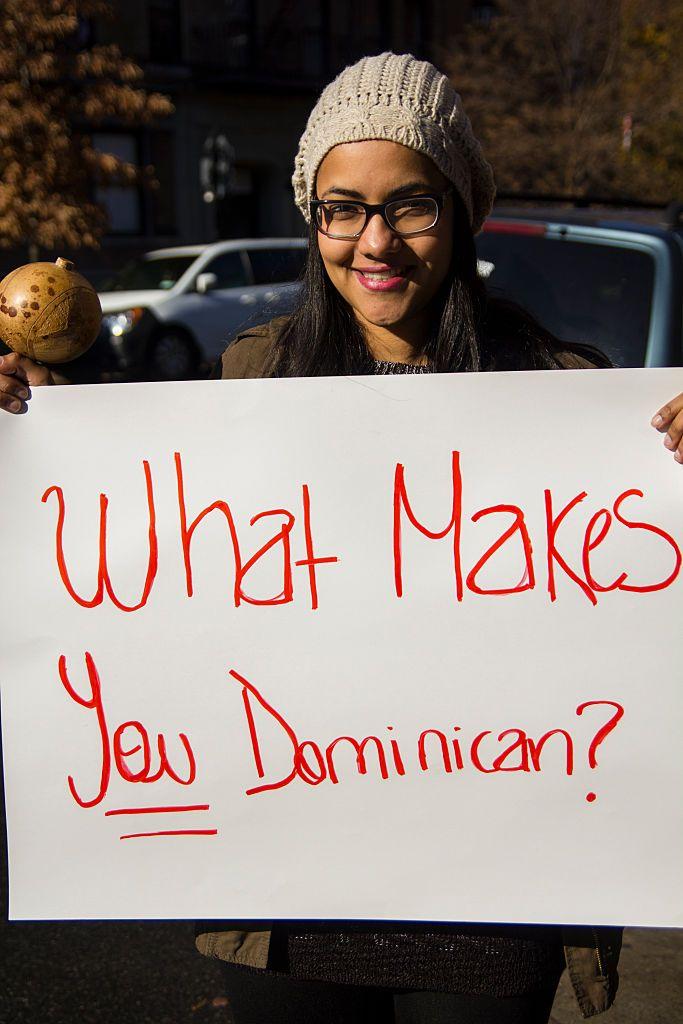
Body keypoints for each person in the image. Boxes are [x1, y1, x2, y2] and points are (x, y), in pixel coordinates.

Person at [2, 50, 682, 1024]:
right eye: (341, 207)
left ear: (459, 208)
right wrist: (33, 427)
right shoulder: (249, 377)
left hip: (494, 895)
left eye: (409, 204)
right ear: (311, 216)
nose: (375, 241)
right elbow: (139, 548)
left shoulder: (560, 392)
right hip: (293, 899)